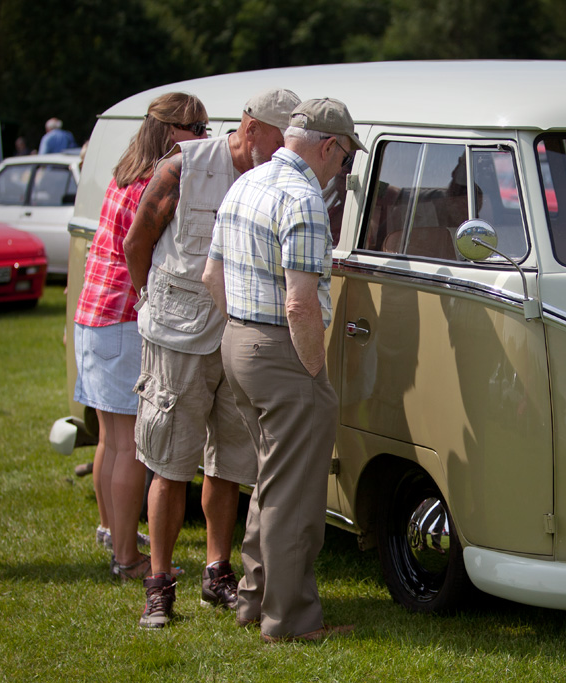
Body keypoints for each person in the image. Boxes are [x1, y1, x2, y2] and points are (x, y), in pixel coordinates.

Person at [123, 88, 301, 630]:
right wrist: (149, 301)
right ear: (249, 128)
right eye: (274, 143)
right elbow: (137, 242)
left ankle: (216, 573)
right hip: (178, 337)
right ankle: (158, 585)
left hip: (238, 336)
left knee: (228, 463)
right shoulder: (184, 166)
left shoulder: (274, 178)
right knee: (170, 464)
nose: (280, 156)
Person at [203, 98, 365, 643]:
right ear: (329, 146)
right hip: (283, 352)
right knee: (295, 495)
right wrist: (315, 376)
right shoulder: (303, 198)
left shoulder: (245, 182)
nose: (340, 171)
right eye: (344, 160)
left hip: (238, 342)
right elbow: (300, 304)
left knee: (270, 481)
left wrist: (243, 328)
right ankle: (290, 621)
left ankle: (255, 599)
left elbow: (210, 276)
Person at [75, 93, 209, 581]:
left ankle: (114, 532)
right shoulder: (154, 181)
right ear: (172, 131)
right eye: (196, 128)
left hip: (94, 315)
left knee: (110, 440)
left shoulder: (122, 171)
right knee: (134, 445)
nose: (202, 138)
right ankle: (128, 558)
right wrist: (147, 295)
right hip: (123, 317)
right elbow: (145, 247)